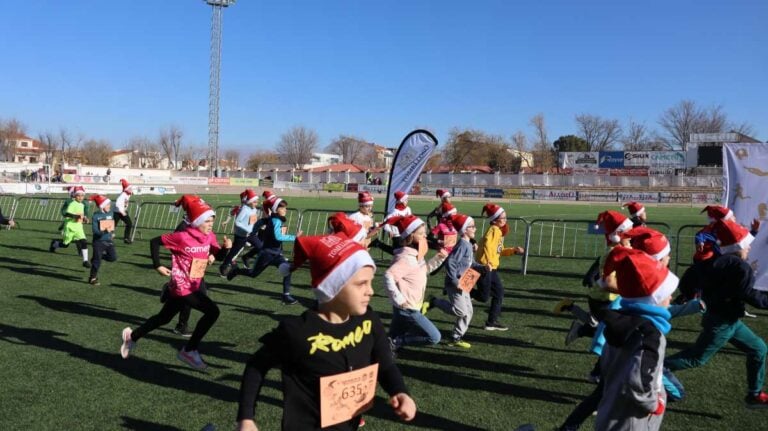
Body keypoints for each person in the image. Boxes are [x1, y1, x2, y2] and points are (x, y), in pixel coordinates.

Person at [236, 233, 416, 431]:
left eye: (370, 282)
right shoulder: (298, 331)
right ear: (333, 287)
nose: (370, 291)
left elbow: (385, 364)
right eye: (361, 284)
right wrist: (246, 417)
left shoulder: (369, 321)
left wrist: (399, 391)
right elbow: (256, 366)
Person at [665, 218, 768, 408]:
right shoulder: (740, 267)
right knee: (696, 358)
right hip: (722, 321)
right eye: (747, 246)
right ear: (739, 247)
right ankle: (657, 368)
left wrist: (687, 294)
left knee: (759, 348)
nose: (749, 249)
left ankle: (754, 394)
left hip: (727, 318)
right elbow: (750, 295)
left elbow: (691, 275)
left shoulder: (716, 260)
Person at [120, 195, 231, 370]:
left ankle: (132, 337)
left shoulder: (209, 236)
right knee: (212, 312)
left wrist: (225, 249)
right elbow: (155, 241)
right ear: (196, 222)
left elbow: (218, 256)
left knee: (163, 318)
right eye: (207, 221)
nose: (211, 224)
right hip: (183, 285)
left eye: (212, 221)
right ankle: (189, 349)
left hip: (196, 282)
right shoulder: (181, 237)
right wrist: (157, 265)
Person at [594, 248, 677, 431]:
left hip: (610, 410)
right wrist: (655, 404)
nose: (671, 297)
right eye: (667, 292)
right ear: (654, 298)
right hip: (632, 421)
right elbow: (638, 382)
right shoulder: (649, 334)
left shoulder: (621, 322)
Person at [383, 215, 447, 353]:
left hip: (409, 307)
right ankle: (396, 343)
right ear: (411, 236)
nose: (425, 237)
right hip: (407, 308)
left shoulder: (416, 255)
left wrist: (439, 258)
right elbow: (388, 276)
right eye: (421, 234)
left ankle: (382, 357)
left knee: (388, 344)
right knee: (434, 337)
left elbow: (424, 270)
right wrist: (399, 299)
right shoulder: (405, 258)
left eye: (424, 233)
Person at [228, 198, 303, 305]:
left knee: (287, 269)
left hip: (276, 254)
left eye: (285, 207)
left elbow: (262, 225)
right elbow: (278, 236)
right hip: (267, 254)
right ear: (276, 210)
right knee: (253, 274)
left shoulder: (275, 219)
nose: (285, 210)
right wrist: (294, 237)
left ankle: (286, 296)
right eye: (282, 208)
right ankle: (236, 271)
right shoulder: (275, 220)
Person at [431, 213, 486, 349]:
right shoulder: (462, 244)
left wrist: (483, 267)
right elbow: (451, 262)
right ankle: (434, 302)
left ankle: (456, 337)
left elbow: (469, 263)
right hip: (456, 284)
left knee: (469, 312)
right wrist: (454, 281)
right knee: (461, 312)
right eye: (472, 227)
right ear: (465, 229)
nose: (475, 229)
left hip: (465, 282)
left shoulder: (468, 244)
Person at [474, 203, 524, 331]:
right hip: (485, 267)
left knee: (499, 293)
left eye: (506, 217)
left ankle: (491, 322)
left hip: (491, 268)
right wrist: (489, 262)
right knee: (483, 297)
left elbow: (499, 250)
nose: (505, 220)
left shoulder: (498, 232)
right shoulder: (494, 230)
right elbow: (487, 246)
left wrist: (513, 250)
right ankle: (459, 289)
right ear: (495, 220)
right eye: (503, 218)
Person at [220, 189, 261, 276]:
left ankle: (246, 257)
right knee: (233, 253)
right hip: (241, 235)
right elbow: (237, 222)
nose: (256, 204)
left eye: (257, 202)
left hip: (251, 234)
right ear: (249, 202)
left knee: (260, 246)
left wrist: (257, 226)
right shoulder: (244, 209)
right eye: (254, 202)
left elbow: (252, 220)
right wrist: (247, 230)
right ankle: (224, 266)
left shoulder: (254, 209)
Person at [50, 185, 91, 268]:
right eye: (78, 195)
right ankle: (54, 244)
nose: (80, 197)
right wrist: (75, 217)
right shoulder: (72, 204)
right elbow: (67, 214)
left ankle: (85, 261)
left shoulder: (82, 205)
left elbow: (81, 215)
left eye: (82, 195)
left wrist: (85, 219)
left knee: (84, 242)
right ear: (75, 196)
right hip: (70, 227)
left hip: (78, 227)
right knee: (65, 245)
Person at [87, 194, 117, 285]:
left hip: (108, 240)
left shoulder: (111, 213)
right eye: (107, 205)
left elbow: (111, 224)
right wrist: (104, 231)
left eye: (109, 204)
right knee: (97, 262)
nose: (109, 206)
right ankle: (92, 278)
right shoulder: (96, 216)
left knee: (113, 258)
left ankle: (97, 257)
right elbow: (95, 231)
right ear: (102, 206)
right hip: (98, 241)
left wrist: (111, 233)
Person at [114, 179, 135, 244]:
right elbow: (117, 203)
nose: (131, 189)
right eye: (130, 188)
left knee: (129, 224)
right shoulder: (123, 194)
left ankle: (126, 238)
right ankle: (104, 238)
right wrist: (122, 211)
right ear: (126, 189)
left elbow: (130, 192)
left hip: (122, 211)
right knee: (112, 226)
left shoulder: (128, 193)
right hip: (117, 212)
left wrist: (131, 192)